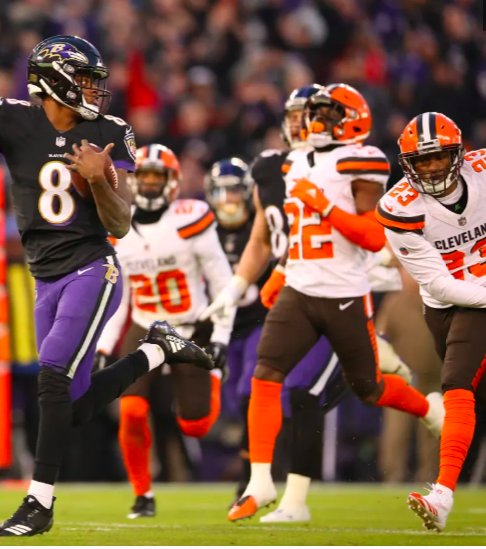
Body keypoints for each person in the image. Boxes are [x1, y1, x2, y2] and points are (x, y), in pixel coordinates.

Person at [0, 10, 213, 536]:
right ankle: (157, 348)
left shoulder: (110, 133)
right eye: (84, 81)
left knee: (51, 372)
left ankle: (39, 503)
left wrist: (99, 181)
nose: (95, 92)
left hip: (93, 268)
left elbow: (122, 221)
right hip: (44, 276)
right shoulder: (14, 118)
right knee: (68, 406)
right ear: (53, 82)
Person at [204, 84, 445, 522]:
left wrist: (324, 207)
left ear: (350, 119)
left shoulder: (363, 160)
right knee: (266, 373)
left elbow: (373, 237)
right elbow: (294, 234)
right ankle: (260, 480)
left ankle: (428, 408)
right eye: (312, 113)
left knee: (368, 387)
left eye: (325, 114)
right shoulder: (294, 162)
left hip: (344, 293)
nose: (313, 122)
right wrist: (278, 274)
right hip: (299, 287)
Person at [94, 145, 233, 519]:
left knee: (196, 425)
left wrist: (219, 336)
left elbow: (224, 283)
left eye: (159, 176)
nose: (152, 184)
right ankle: (142, 494)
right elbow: (121, 297)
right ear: (135, 180)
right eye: (146, 175)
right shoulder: (120, 226)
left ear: (172, 183)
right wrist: (105, 345)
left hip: (191, 326)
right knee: (132, 411)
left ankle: (214, 377)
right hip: (146, 326)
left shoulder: (192, 217)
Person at [375, 112, 486, 532]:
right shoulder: (398, 207)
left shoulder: (482, 173)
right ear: (407, 164)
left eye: (439, 157)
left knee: (456, 383)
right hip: (444, 303)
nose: (432, 168)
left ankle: (441, 495)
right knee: (472, 395)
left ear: (458, 154)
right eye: (421, 162)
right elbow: (439, 285)